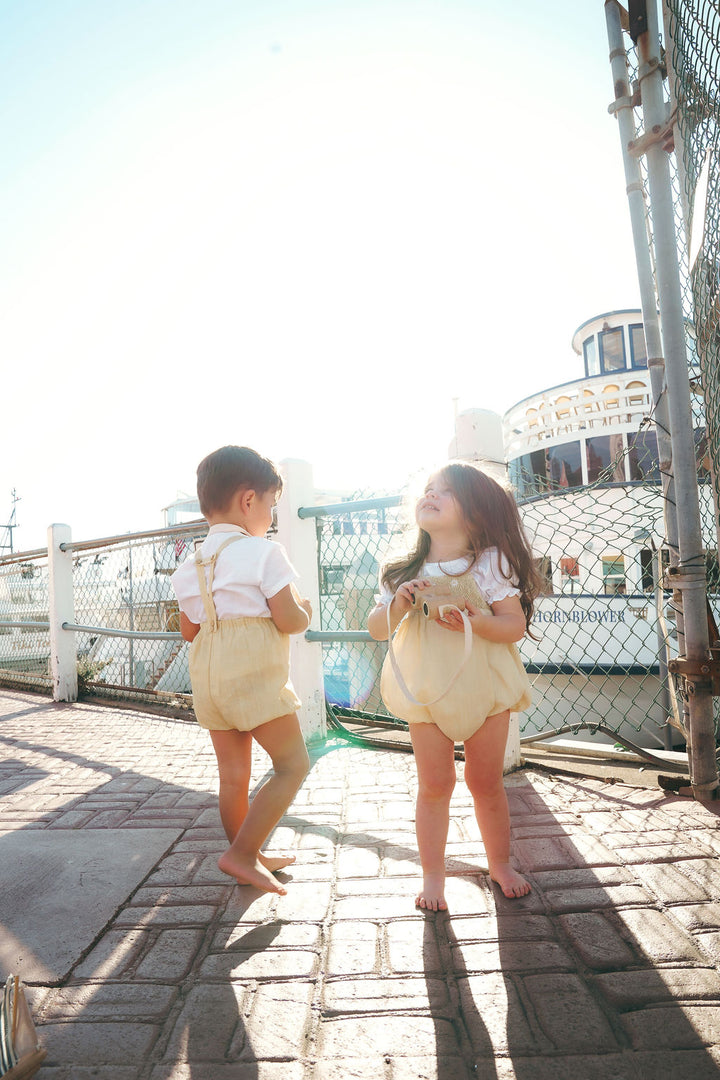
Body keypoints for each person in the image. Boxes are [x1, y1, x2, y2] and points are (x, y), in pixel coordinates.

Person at [367, 461, 541, 911]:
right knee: (434, 784)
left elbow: (513, 625)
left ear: (476, 513)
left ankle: (499, 863)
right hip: (428, 691)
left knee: (485, 782)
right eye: (428, 488)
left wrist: (475, 619)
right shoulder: (402, 570)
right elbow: (377, 630)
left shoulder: (489, 564)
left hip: (485, 687)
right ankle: (433, 874)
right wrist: (402, 603)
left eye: (445, 491)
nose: (431, 494)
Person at [172, 445, 312, 896]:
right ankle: (243, 854)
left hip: (209, 679)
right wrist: (304, 609)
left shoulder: (187, 567)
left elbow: (190, 630)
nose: (270, 516)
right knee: (292, 764)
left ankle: (248, 855)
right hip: (253, 676)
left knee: (233, 777)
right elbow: (290, 620)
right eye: (270, 505)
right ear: (248, 501)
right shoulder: (263, 553)